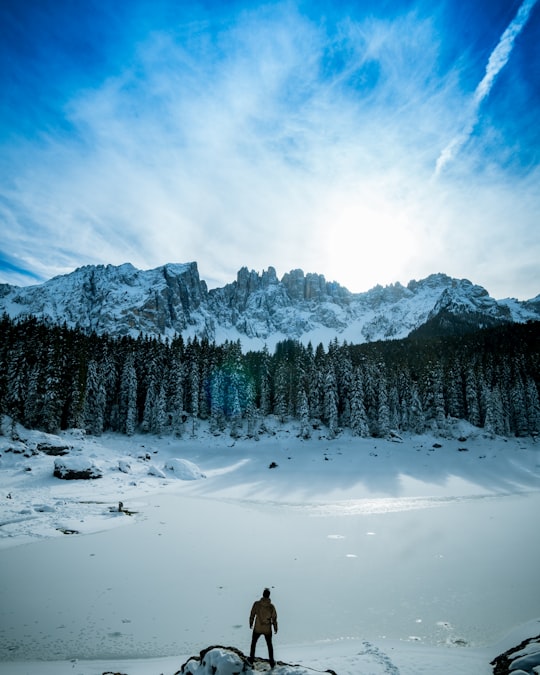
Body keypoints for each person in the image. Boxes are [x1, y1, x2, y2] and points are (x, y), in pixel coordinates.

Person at [249, 587, 278, 667]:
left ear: (263, 594)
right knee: (269, 645)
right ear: (269, 596)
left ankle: (251, 659)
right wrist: (275, 627)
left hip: (257, 627)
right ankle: (271, 661)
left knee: (253, 643)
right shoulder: (271, 607)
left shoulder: (256, 604)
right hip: (267, 629)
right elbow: (274, 618)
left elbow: (252, 614)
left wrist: (251, 623)